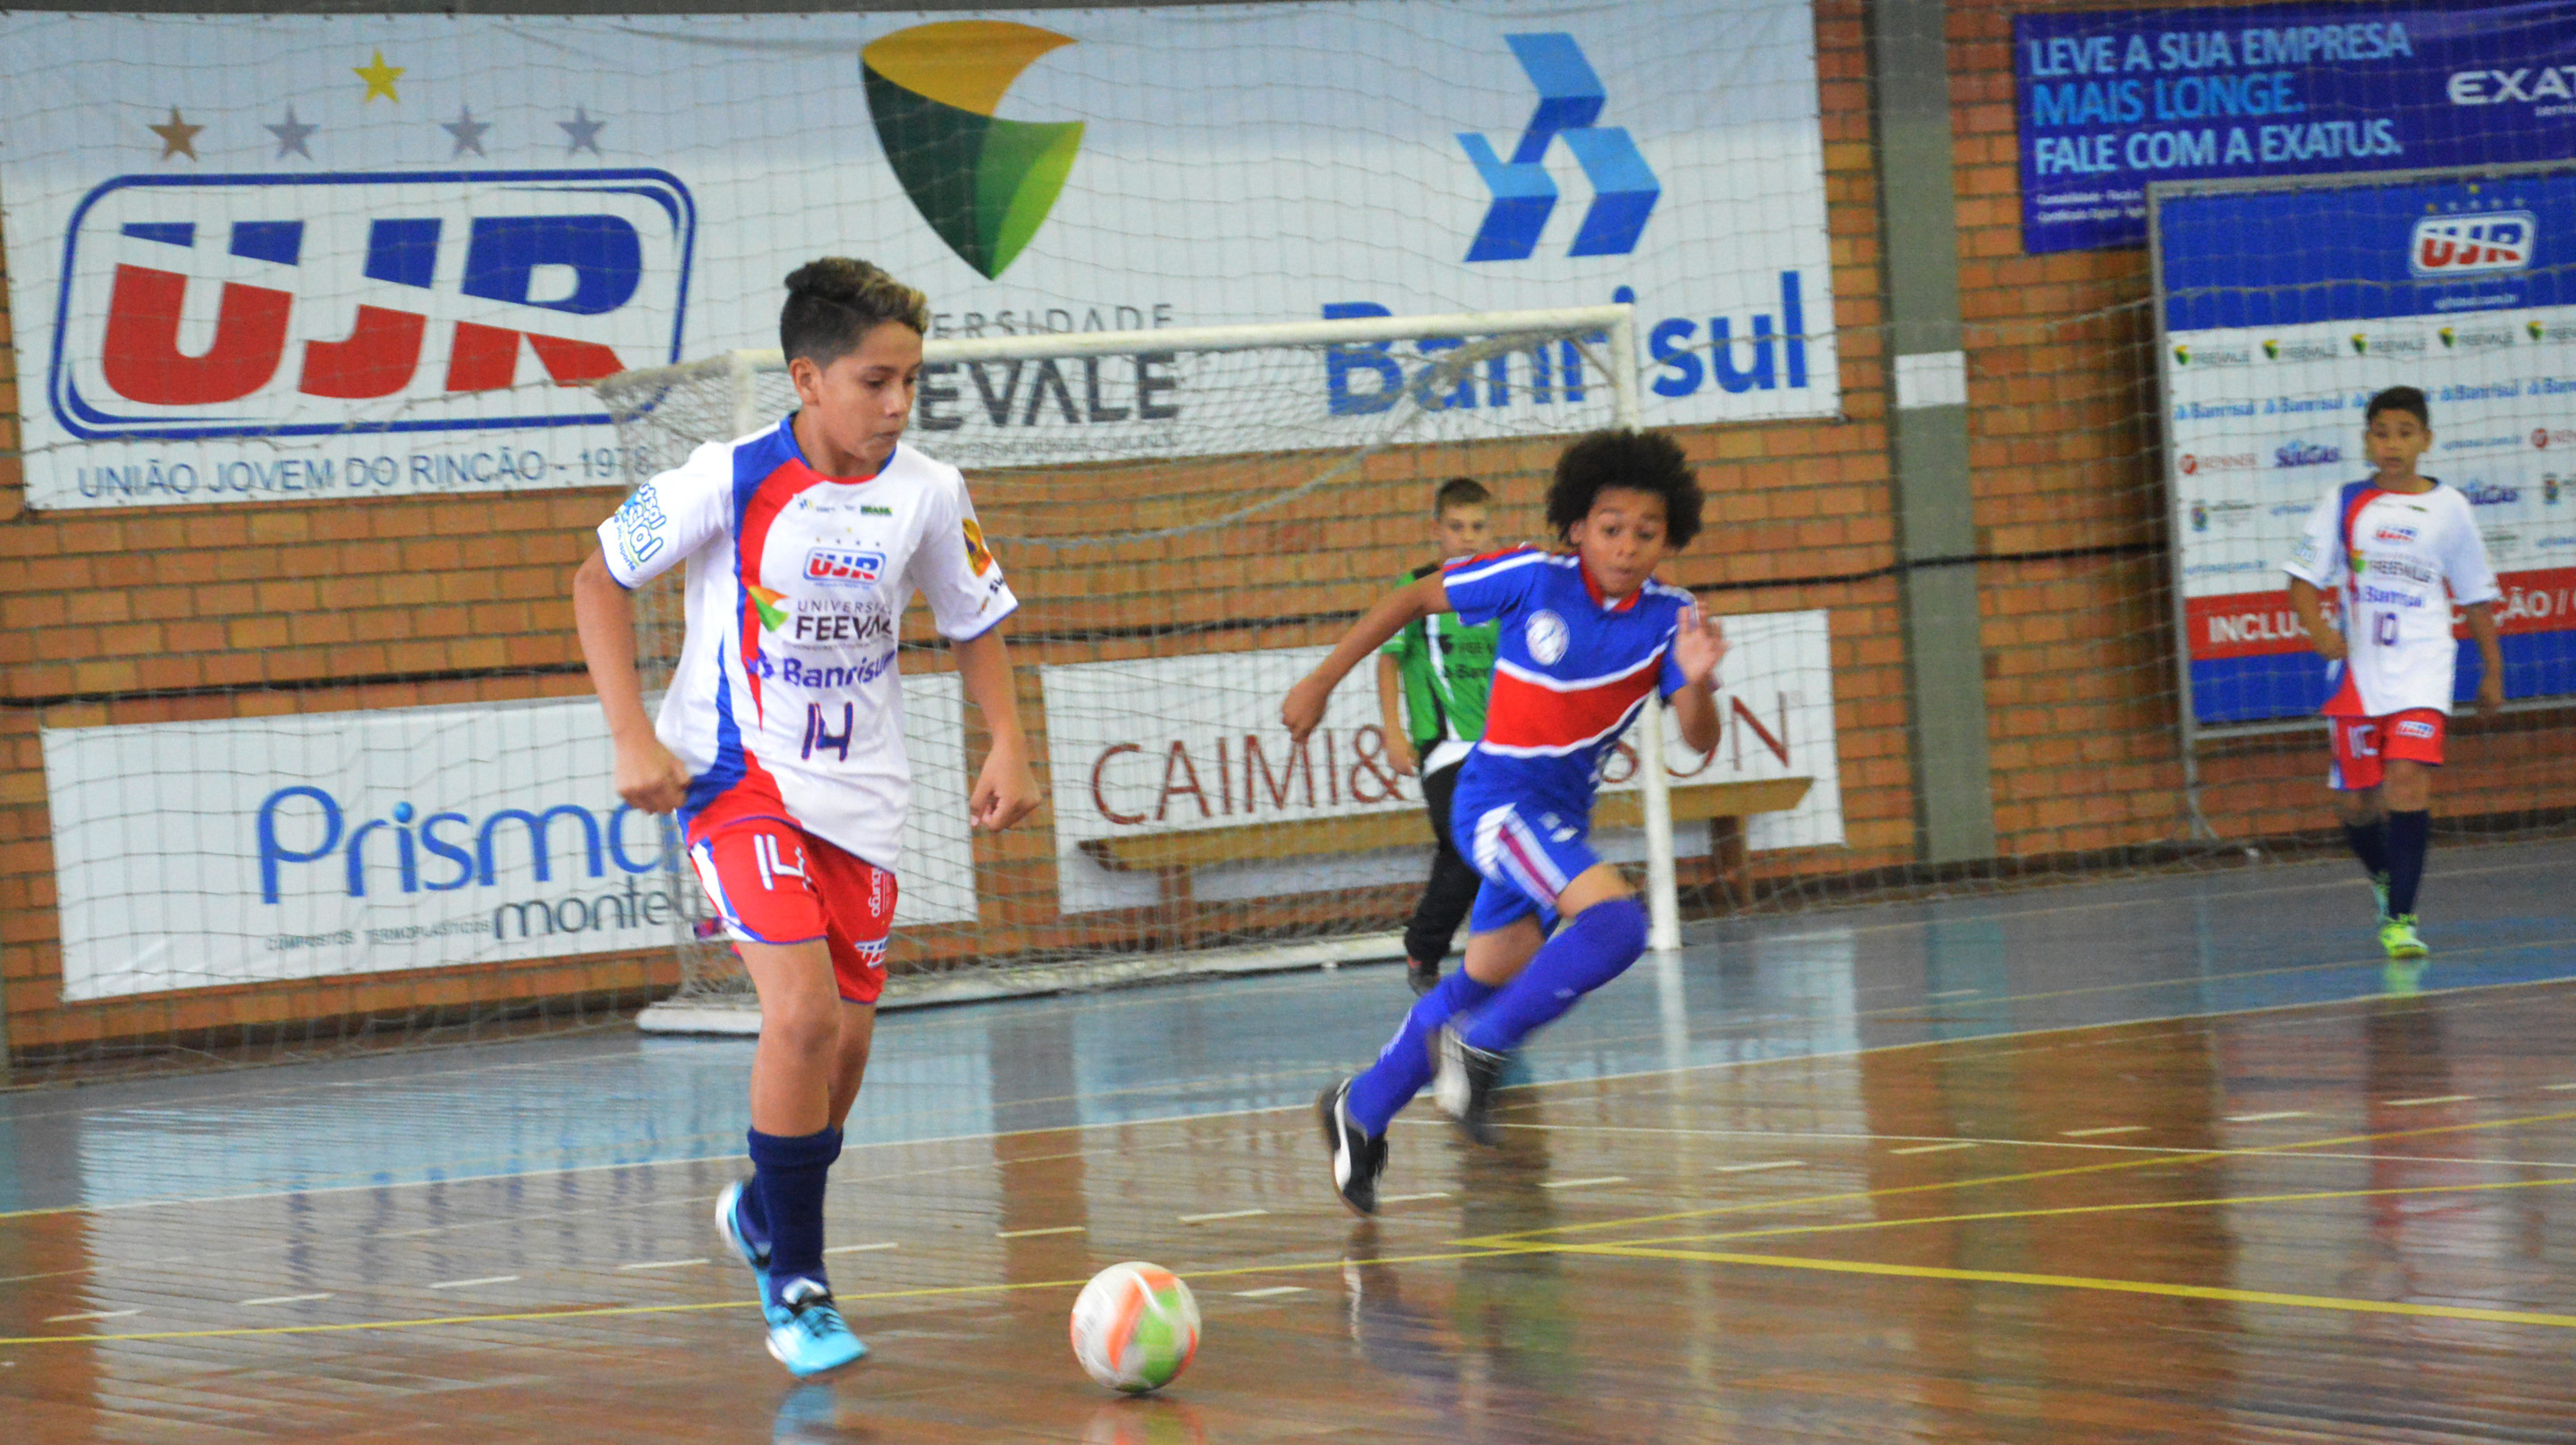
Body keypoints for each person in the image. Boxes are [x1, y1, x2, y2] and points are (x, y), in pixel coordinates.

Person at [572, 258, 1040, 1374]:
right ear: (807, 377)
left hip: (864, 798)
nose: (896, 404)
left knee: (848, 1045)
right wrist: (632, 734)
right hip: (739, 780)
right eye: (876, 380)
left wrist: (1008, 738)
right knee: (801, 1020)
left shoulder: (929, 487)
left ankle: (764, 1211)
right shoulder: (721, 476)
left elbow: (973, 615)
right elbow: (596, 578)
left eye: (911, 382)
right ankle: (800, 1287)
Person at [1284, 429, 1724, 1213]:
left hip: (1554, 822)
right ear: (1577, 528)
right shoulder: (1534, 577)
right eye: (1611, 527)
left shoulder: (1672, 619)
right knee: (1619, 925)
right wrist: (1321, 679)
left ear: (1670, 536)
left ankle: (1362, 1107)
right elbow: (1417, 596)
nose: (1627, 546)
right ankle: (1481, 1050)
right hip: (1494, 803)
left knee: (1485, 977)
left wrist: (1696, 683)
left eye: (1646, 532)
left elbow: (1698, 737)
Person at [2284, 384, 2504, 962]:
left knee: (2406, 783)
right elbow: (2302, 581)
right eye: (2382, 433)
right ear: (2367, 439)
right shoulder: (2345, 502)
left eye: (2405, 433)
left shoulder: (2450, 507)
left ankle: (2401, 919)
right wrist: (2320, 632)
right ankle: (2384, 878)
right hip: (2359, 676)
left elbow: (2477, 598)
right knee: (2358, 804)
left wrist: (2493, 672)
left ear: (2426, 440)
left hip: (2424, 671)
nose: (2392, 444)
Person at [1375, 477, 1500, 995]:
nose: (1467, 537)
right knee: (1466, 841)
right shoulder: (1417, 587)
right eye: (1456, 527)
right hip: (1443, 747)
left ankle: (1437, 954)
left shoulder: (1500, 586)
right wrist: (1392, 730)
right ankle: (1427, 947)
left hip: (1500, 745)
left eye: (1477, 527)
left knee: (1491, 852)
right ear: (1437, 530)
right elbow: (1388, 659)